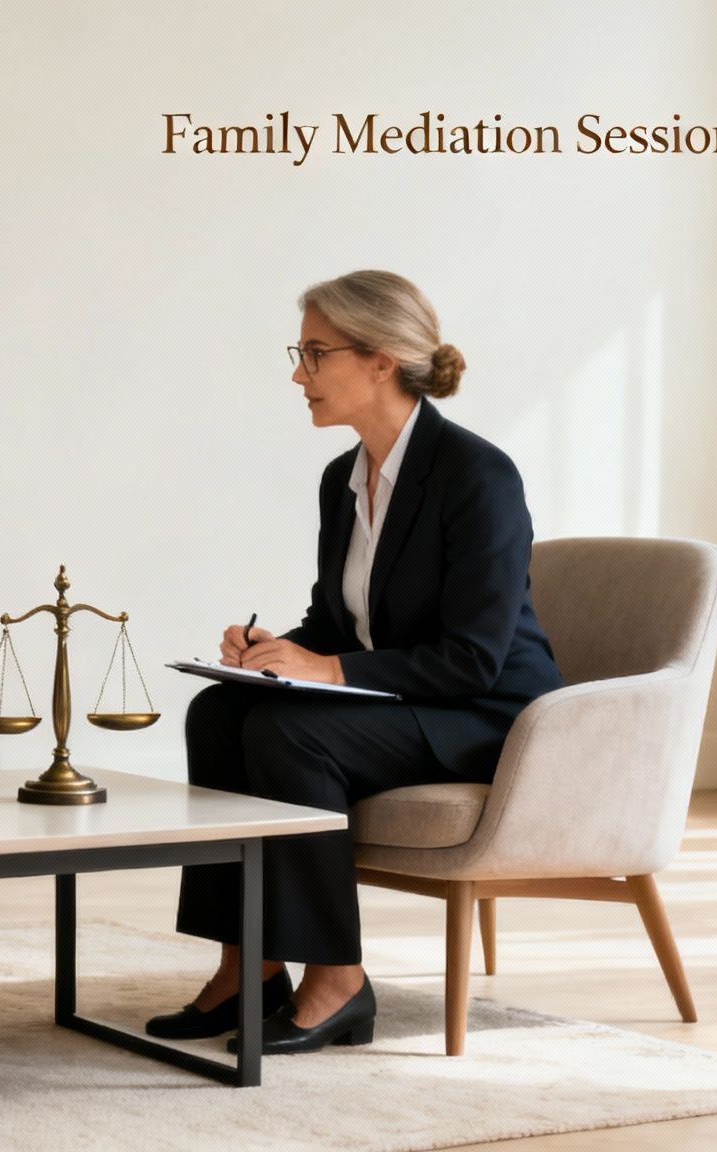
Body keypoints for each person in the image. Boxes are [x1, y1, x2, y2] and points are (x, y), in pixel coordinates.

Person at [148, 271, 565, 1055]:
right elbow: (338, 624)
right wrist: (271, 652)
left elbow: (472, 658)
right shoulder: (341, 481)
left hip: (484, 715)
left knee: (292, 736)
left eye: (314, 353)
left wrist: (326, 670)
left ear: (381, 360)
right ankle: (250, 962)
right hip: (407, 699)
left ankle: (338, 979)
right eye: (298, 353)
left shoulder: (476, 476)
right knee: (222, 711)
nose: (298, 374)